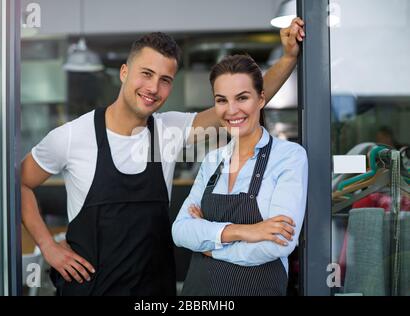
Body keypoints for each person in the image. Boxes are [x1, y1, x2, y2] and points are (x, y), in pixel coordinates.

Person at [21, 19, 306, 296]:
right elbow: (19, 183)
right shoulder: (73, 136)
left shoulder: (168, 130)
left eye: (165, 80)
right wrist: (48, 246)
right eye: (146, 74)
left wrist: (288, 58)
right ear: (124, 72)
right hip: (90, 289)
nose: (153, 88)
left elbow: (237, 106)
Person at [172, 54, 308, 296]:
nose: (231, 110)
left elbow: (276, 243)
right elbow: (180, 230)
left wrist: (210, 244)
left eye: (242, 98)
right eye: (221, 100)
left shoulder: (288, 157)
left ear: (261, 99)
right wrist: (243, 231)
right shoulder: (212, 161)